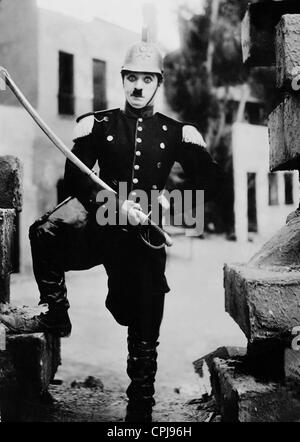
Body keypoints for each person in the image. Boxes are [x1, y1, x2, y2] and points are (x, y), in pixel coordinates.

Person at [0, 41, 221, 422]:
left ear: (158, 83)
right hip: (102, 228)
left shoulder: (176, 132)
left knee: (144, 314)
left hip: (142, 240)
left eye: (146, 79)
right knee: (45, 232)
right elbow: (75, 184)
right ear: (122, 80)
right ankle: (56, 312)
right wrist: (116, 206)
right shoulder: (97, 124)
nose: (138, 86)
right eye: (131, 78)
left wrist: (171, 201)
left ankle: (140, 409)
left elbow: (212, 183)